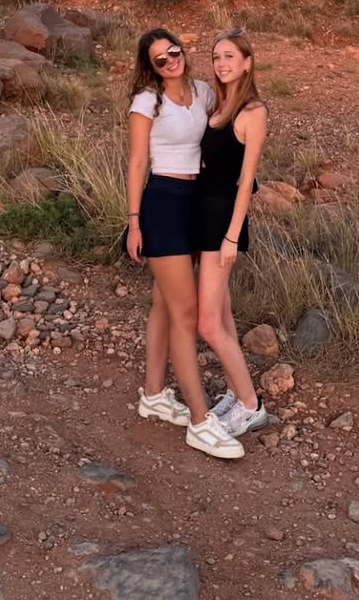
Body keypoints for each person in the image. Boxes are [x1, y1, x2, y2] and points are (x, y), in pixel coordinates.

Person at [125, 28, 244, 460]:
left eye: (173, 51)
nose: (170, 60)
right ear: (151, 67)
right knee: (185, 312)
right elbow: (138, 162)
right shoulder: (146, 102)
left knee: (164, 301)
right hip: (163, 202)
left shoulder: (202, 92)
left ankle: (154, 394)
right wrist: (134, 223)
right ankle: (199, 420)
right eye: (160, 59)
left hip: (198, 202)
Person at [195, 28, 270, 437]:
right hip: (204, 215)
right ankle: (234, 392)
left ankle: (251, 404)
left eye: (229, 56)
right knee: (221, 317)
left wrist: (231, 237)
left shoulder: (253, 112)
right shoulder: (218, 106)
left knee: (208, 324)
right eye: (216, 57)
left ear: (247, 63)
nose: (222, 64)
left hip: (224, 223)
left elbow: (245, 181)